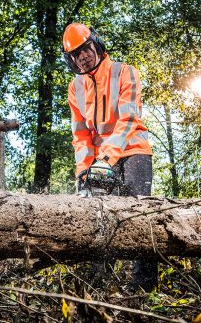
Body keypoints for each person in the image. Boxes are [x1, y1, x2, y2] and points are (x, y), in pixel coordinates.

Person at [63, 22, 156, 291]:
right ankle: (99, 282)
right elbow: (80, 135)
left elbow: (128, 119)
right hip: (100, 161)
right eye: (75, 54)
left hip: (132, 150)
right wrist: (84, 169)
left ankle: (144, 286)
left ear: (96, 44)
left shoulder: (124, 72)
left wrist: (106, 159)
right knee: (100, 217)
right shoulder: (75, 88)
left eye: (85, 49)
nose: (82, 57)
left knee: (140, 214)